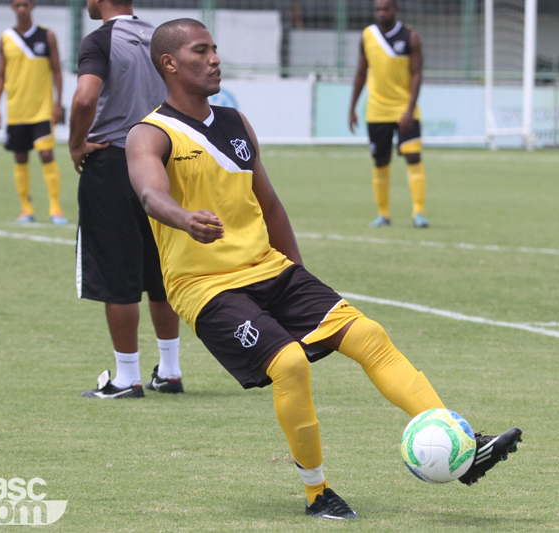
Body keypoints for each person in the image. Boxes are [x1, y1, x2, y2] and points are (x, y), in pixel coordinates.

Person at [126, 18, 522, 519]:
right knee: (289, 362)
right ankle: (318, 492)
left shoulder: (236, 124)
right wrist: (184, 218)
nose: (214, 59)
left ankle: (463, 449)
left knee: (369, 334)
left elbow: (268, 204)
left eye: (215, 49)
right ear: (169, 63)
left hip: (270, 270)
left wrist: (298, 274)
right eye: (200, 51)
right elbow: (148, 192)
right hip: (203, 286)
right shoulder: (150, 133)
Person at [69, 0, 183, 398]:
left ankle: (126, 377)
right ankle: (170, 371)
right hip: (161, 160)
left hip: (115, 161)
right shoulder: (159, 36)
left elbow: (85, 97)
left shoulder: (100, 40)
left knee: (118, 273)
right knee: (160, 271)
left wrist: (76, 142)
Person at [349, 0, 429, 228]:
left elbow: (417, 74)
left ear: (396, 10)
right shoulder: (368, 36)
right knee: (380, 161)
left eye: (386, 9)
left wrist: (410, 109)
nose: (381, 13)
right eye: (378, 9)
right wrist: (352, 108)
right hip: (377, 110)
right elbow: (360, 73)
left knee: (413, 156)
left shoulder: (410, 37)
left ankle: (419, 213)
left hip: (405, 109)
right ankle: (383, 214)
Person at [0, 0, 67, 225]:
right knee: (20, 156)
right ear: (12, 9)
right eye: (17, 5)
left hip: (42, 109)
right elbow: (0, 74)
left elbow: (57, 70)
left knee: (46, 154)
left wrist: (58, 104)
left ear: (33, 6)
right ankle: (26, 209)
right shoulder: (5, 39)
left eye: (25, 4)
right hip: (16, 110)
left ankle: (55, 207)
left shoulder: (47, 36)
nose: (22, 9)